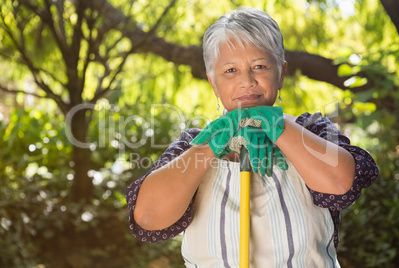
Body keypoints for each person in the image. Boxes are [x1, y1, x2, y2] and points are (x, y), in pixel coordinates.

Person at [125, 7, 378, 267]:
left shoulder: (312, 129)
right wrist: (214, 143)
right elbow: (149, 218)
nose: (247, 81)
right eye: (230, 71)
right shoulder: (192, 145)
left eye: (259, 66)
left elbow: (341, 185)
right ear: (213, 83)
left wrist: (274, 124)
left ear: (281, 72)